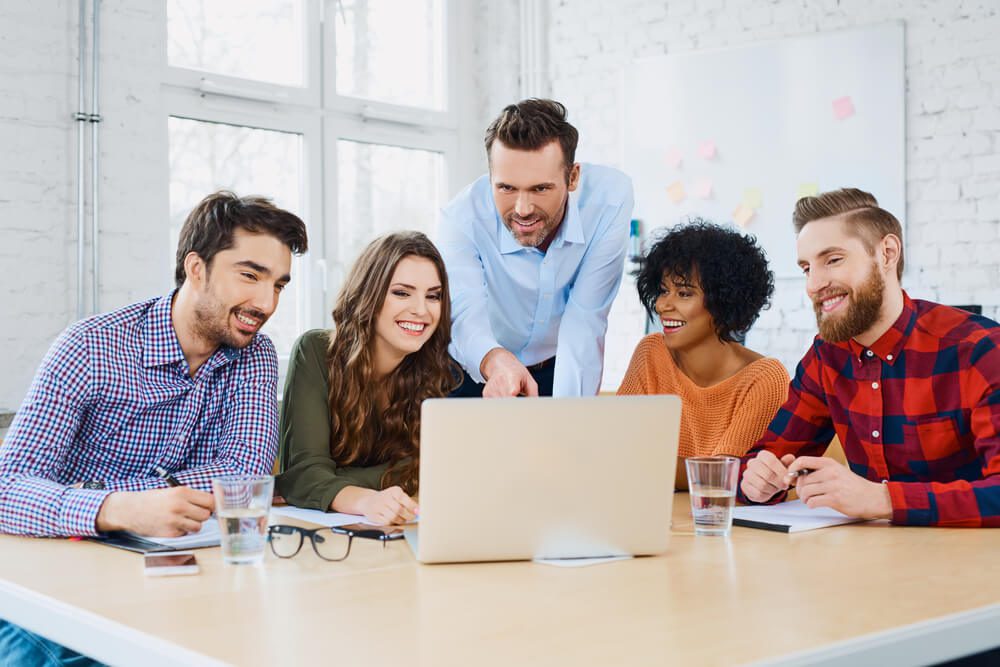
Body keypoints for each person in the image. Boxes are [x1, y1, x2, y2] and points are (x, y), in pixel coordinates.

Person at [0, 191, 307, 663]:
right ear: (196, 268)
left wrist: (115, 494)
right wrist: (114, 507)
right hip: (58, 584)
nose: (266, 303)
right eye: (250, 275)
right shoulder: (90, 347)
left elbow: (244, 475)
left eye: (280, 285)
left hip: (179, 581)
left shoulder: (254, 355)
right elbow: (8, 489)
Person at [739, 188, 1000, 527]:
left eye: (832, 260)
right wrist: (757, 480)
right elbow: (768, 457)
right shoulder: (826, 357)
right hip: (868, 563)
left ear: (887, 253)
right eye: (806, 268)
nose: (814, 285)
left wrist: (882, 499)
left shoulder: (979, 350)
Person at [438, 98, 634, 398]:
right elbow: (464, 313)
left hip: (558, 366)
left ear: (572, 177)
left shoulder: (609, 200)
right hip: (476, 364)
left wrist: (572, 422)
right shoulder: (462, 218)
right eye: (506, 188)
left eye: (540, 188)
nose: (523, 208)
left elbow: (585, 318)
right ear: (490, 178)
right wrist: (495, 360)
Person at [275, 232, 456, 525]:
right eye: (402, 292)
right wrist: (366, 499)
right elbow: (303, 474)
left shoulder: (440, 367)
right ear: (368, 294)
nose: (421, 310)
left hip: (402, 526)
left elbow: (434, 467)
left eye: (433, 296)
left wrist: (332, 481)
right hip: (323, 538)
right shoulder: (316, 352)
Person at [617, 221, 789, 488]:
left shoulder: (764, 378)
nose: (663, 305)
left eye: (684, 293)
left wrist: (641, 464)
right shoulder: (651, 352)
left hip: (719, 524)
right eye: (663, 291)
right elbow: (612, 448)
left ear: (724, 302)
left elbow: (724, 475)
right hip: (654, 513)